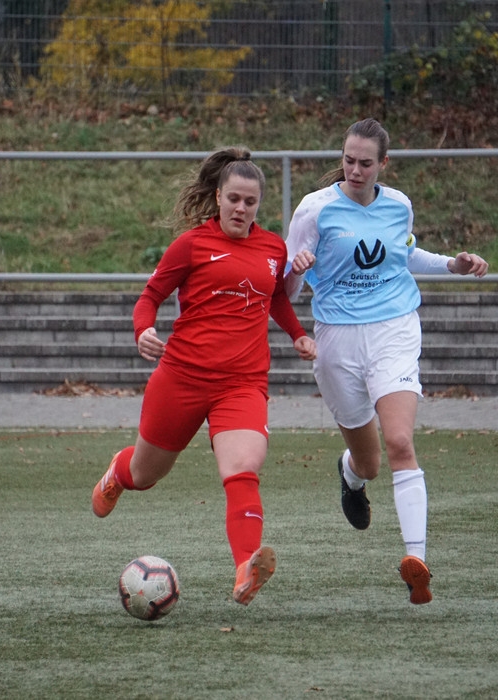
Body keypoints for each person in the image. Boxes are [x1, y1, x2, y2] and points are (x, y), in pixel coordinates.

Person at [91, 147, 317, 606]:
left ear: (259, 204)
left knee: (243, 467)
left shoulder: (273, 248)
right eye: (233, 199)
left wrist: (297, 334)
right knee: (146, 473)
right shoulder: (192, 245)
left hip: (243, 383)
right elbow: (150, 296)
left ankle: (246, 567)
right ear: (217, 197)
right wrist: (143, 331)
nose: (241, 209)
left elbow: (274, 296)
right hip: (182, 377)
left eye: (250, 202)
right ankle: (119, 472)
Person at [284, 118, 488, 605]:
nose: (355, 170)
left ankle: (417, 562)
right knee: (370, 462)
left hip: (394, 329)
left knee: (399, 441)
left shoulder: (398, 205)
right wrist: (296, 270)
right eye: (348, 161)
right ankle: (350, 475)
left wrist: (453, 265)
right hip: (337, 340)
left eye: (365, 163)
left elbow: (404, 255)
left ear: (384, 164)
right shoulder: (314, 209)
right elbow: (285, 291)